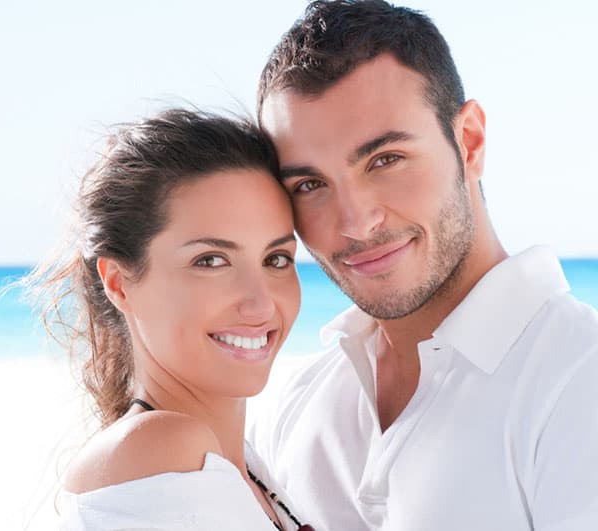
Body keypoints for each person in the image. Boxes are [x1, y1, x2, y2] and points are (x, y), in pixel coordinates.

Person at [248, 1, 598, 530]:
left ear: (470, 141)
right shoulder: (297, 405)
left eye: (385, 160)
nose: (355, 223)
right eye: (310, 185)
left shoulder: (578, 379)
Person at [29, 109, 313, 530]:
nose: (260, 305)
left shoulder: (238, 467)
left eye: (276, 259)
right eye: (211, 260)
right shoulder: (162, 452)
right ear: (120, 283)